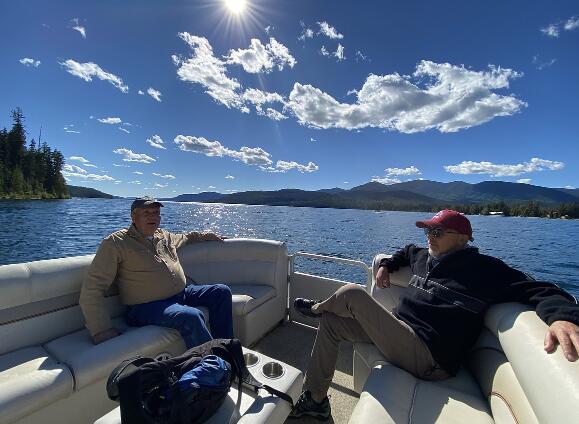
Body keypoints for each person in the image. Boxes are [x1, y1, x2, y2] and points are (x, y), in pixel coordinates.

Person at [289, 209, 579, 420]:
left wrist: (562, 316)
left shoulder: (484, 270)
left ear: (463, 238)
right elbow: (405, 251)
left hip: (430, 357)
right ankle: (315, 401)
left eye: (437, 232)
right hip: (400, 334)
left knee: (352, 294)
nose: (430, 237)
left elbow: (539, 288)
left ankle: (315, 308)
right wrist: (386, 266)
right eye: (428, 230)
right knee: (332, 323)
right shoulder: (426, 257)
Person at [79, 196, 234, 348]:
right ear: (134, 216)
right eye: (147, 213)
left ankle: (226, 348)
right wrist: (100, 329)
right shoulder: (116, 242)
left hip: (182, 295)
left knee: (221, 292)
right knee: (191, 316)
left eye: (156, 213)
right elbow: (93, 286)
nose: (153, 217)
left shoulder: (164, 236)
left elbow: (186, 237)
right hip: (145, 307)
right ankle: (214, 366)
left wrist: (207, 235)